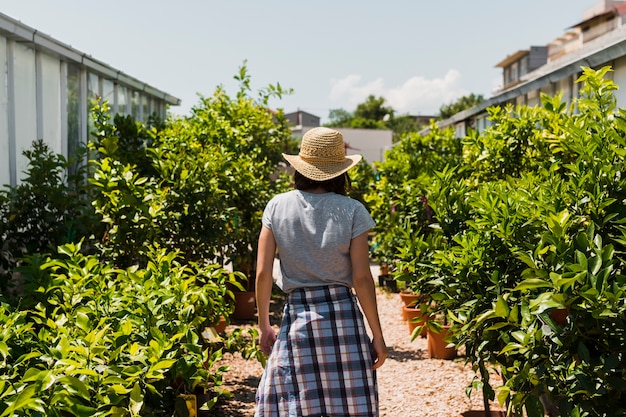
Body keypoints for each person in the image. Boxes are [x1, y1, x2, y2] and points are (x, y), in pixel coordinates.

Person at [254, 127, 388, 417]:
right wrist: (377, 334)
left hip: (298, 317)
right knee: (349, 405)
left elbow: (263, 272)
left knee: (297, 403)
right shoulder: (353, 210)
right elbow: (362, 279)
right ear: (341, 170)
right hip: (343, 320)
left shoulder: (277, 206)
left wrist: (264, 324)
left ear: (300, 166)